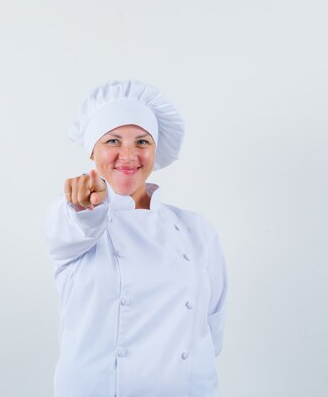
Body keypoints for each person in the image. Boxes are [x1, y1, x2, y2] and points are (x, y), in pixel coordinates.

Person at [44, 78, 229, 397]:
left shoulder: (196, 230)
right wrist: (84, 204)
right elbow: (77, 225)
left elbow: (211, 330)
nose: (128, 155)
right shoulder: (76, 217)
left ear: (156, 151)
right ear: (92, 151)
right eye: (113, 141)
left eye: (142, 142)